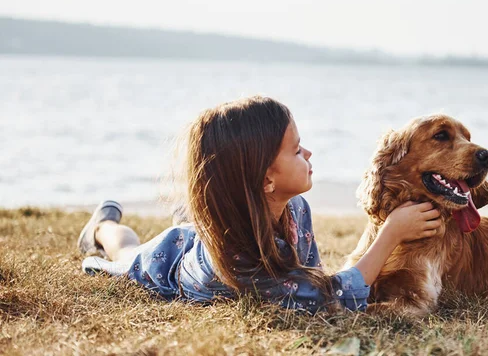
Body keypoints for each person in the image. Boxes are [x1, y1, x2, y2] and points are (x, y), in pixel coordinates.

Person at [78, 96, 441, 313]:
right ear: (266, 178)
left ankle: (189, 217)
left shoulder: (295, 208)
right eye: (297, 149)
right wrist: (391, 233)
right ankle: (101, 226)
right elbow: (329, 298)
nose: (309, 152)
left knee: (192, 223)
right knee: (126, 251)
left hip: (220, 229)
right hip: (172, 259)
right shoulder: (244, 268)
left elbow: (311, 274)